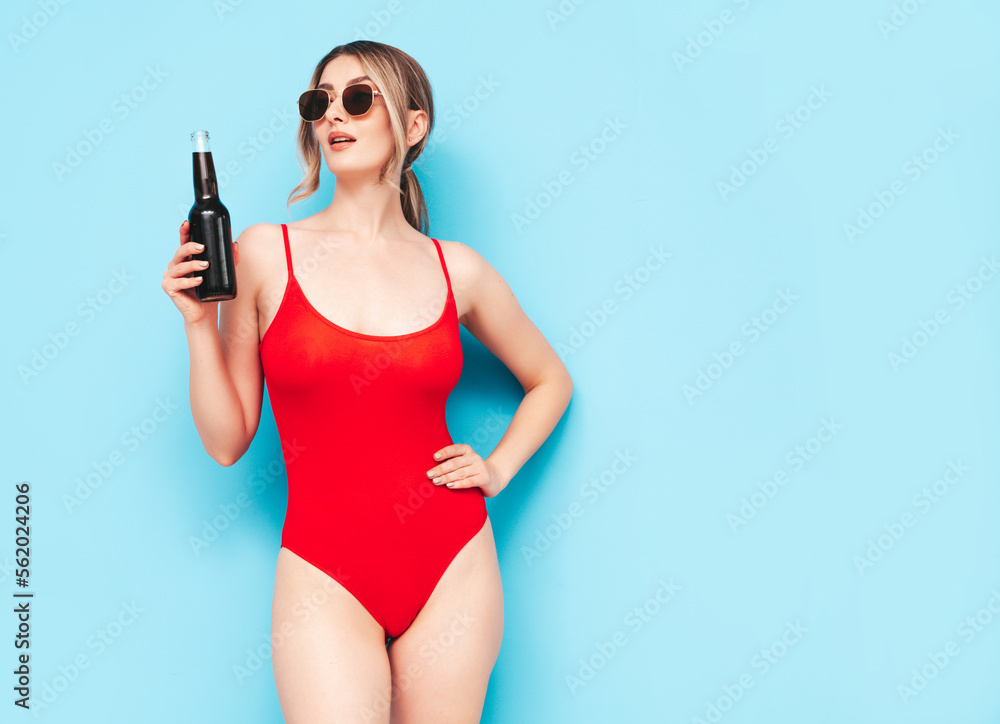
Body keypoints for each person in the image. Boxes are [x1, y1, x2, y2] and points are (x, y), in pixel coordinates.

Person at [162, 40, 573, 723]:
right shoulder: (264, 253)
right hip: (324, 570)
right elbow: (227, 441)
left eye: (359, 98)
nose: (335, 117)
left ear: (411, 127)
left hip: (453, 564)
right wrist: (197, 325)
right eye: (320, 103)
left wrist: (498, 467)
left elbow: (550, 380)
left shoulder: (457, 270)